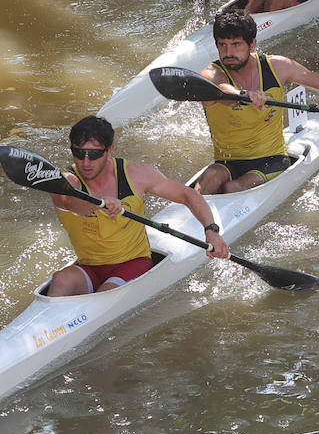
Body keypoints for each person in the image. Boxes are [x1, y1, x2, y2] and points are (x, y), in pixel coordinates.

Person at [195, 9, 319, 194]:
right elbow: (222, 90)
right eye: (222, 45)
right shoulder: (210, 75)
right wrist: (244, 95)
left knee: (232, 187)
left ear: (252, 45)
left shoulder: (278, 67)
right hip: (226, 161)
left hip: (271, 158)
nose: (228, 53)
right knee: (209, 179)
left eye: (236, 45)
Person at [46, 115, 229, 297]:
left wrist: (211, 231)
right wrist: (99, 203)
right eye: (79, 153)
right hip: (88, 267)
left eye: (93, 154)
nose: (85, 162)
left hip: (132, 263)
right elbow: (74, 204)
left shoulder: (136, 174)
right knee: (61, 279)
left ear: (110, 150)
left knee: (106, 294)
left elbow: (187, 195)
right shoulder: (65, 182)